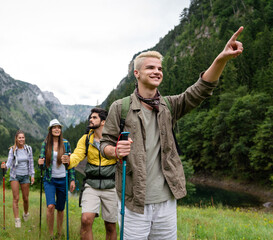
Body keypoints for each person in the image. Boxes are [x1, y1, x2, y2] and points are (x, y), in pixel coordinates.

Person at [100, 27, 244, 239]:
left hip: (166, 201)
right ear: (136, 73)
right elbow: (103, 145)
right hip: (133, 201)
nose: (157, 71)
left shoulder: (169, 105)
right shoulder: (120, 108)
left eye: (159, 68)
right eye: (150, 67)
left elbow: (201, 89)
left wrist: (221, 58)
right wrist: (114, 150)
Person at [62, 108, 118, 240]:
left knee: (110, 226)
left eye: (94, 118)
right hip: (91, 184)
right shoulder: (86, 139)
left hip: (111, 185)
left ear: (103, 121)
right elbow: (77, 155)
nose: (90, 120)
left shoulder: (113, 138)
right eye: (90, 118)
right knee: (86, 220)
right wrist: (69, 160)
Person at [38, 119, 76, 239]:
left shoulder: (65, 143)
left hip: (63, 180)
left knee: (60, 208)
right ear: (50, 130)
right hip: (50, 180)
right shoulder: (45, 144)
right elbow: (42, 162)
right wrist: (40, 163)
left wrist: (72, 179)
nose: (57, 129)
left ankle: (59, 233)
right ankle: (50, 234)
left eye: (59, 127)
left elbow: (71, 163)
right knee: (50, 206)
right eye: (54, 127)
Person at [1, 130, 35, 228]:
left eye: (23, 137)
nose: (21, 139)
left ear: (24, 138)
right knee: (16, 198)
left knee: (25, 198)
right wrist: (5, 167)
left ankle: (25, 213)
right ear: (16, 138)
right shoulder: (12, 150)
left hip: (25, 176)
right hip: (15, 176)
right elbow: (9, 162)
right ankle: (17, 221)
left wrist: (32, 175)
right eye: (19, 137)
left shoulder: (28, 149)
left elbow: (31, 163)